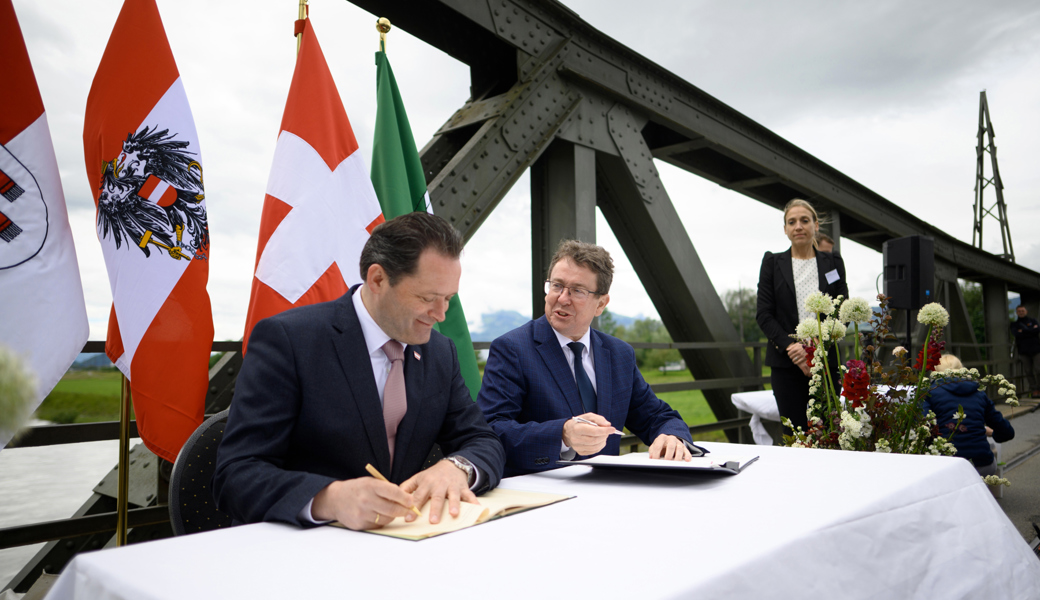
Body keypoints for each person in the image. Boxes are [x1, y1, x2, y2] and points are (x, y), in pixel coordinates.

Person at [214, 213, 505, 530]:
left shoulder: (439, 352)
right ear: (378, 279)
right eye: (427, 298)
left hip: (403, 543)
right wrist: (330, 499)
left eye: (449, 298)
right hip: (304, 547)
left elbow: (483, 440)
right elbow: (236, 475)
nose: (441, 314)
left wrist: (457, 467)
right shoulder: (289, 341)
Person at [478, 240, 697, 477]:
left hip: (607, 492)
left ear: (601, 303)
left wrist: (673, 436)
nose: (562, 298)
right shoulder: (512, 349)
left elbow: (656, 416)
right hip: (541, 492)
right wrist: (562, 434)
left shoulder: (619, 354)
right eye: (557, 286)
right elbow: (491, 429)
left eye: (577, 290)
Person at [756, 199, 848, 434]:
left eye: (804, 220)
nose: (798, 226)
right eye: (792, 222)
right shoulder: (771, 263)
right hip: (786, 365)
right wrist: (793, 348)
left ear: (816, 225)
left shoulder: (832, 262)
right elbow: (764, 314)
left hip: (825, 361)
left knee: (829, 432)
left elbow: (841, 308)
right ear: (785, 229)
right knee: (795, 435)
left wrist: (816, 346)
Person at [924, 354, 1014, 476]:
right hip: (981, 463)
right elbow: (1007, 432)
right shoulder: (978, 392)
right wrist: (991, 433)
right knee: (989, 463)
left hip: (944, 463)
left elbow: (924, 426)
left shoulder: (930, 393)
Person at [1010, 305, 1040, 398]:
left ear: (1026, 311)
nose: (1021, 312)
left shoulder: (1033, 320)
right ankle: (1034, 389)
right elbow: (1016, 334)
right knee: (1028, 371)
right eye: (1019, 311)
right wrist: (1031, 330)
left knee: (1038, 370)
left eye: (1022, 311)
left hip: (1036, 349)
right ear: (1017, 313)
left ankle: (1039, 388)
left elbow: (1037, 330)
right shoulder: (1014, 324)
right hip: (1023, 351)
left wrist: (1023, 331)